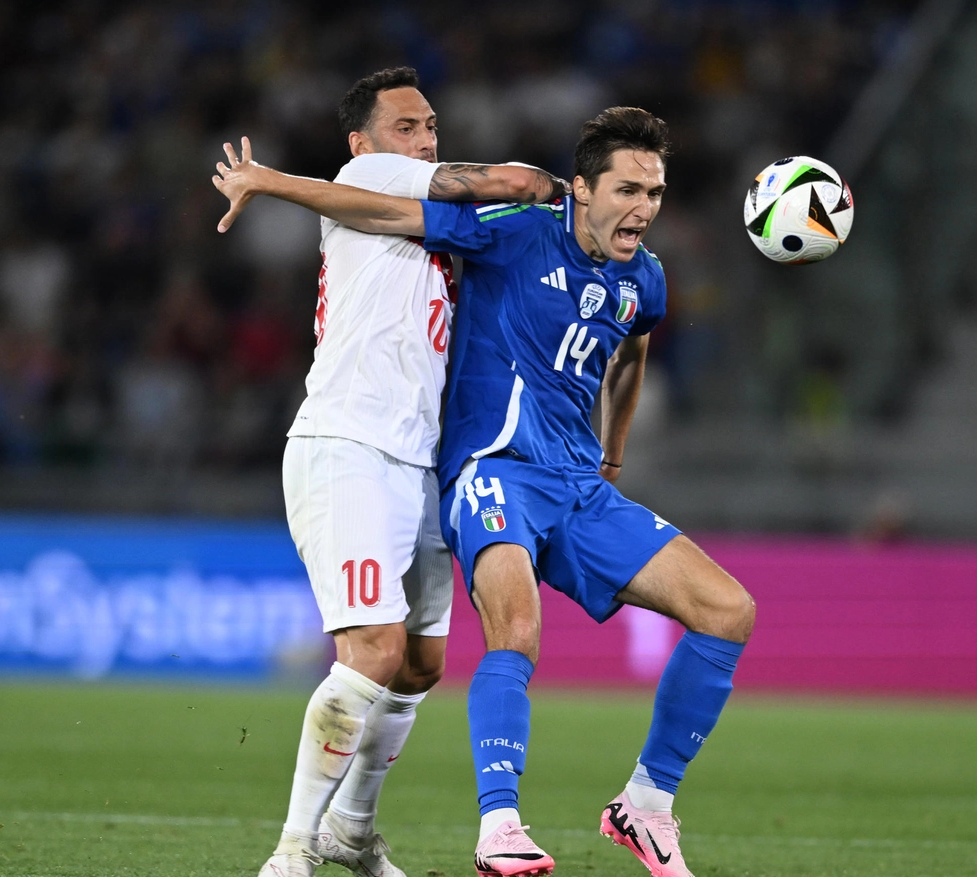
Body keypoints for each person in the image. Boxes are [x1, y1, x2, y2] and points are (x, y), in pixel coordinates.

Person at [214, 107, 755, 877]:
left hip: (576, 480)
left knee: (729, 610)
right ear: (579, 189)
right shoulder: (516, 229)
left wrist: (614, 455)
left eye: (657, 192)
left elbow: (632, 352)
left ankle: (646, 803)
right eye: (628, 189)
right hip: (492, 465)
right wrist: (272, 183)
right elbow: (384, 210)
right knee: (517, 630)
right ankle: (499, 825)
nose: (644, 209)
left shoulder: (646, 277)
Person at [214, 66, 566, 877]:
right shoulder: (367, 179)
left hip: (420, 463)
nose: (426, 138)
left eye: (430, 125)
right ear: (361, 142)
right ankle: (292, 851)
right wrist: (559, 192)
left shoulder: (439, 227)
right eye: (407, 126)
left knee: (418, 662)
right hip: (349, 444)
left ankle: (351, 829)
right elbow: (512, 180)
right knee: (371, 646)